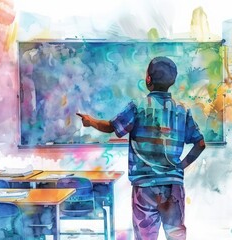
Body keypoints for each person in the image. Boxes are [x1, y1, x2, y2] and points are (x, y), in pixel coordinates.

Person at [77, 56, 206, 240]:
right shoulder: (182, 110)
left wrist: (90, 121)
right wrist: (180, 166)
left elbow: (112, 127)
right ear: (173, 81)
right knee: (176, 235)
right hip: (172, 185)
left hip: (144, 186)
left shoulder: (138, 107)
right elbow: (200, 143)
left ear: (148, 79)